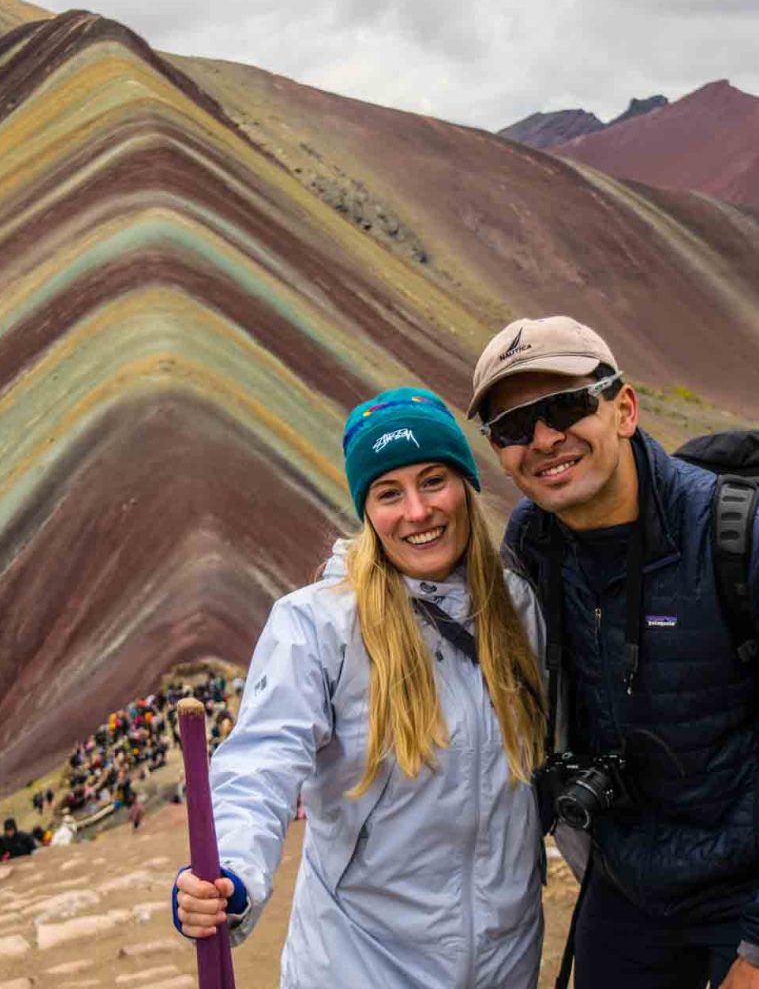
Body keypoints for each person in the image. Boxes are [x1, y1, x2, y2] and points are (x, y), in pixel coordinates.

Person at [469, 317, 759, 989]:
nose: (544, 439)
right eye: (513, 426)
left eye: (567, 406)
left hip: (757, 896)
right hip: (628, 891)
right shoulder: (536, 541)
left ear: (624, 408)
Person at [173, 387, 548, 988]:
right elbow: (262, 761)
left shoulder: (519, 609)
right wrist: (232, 873)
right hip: (362, 964)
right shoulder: (318, 625)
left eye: (433, 480)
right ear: (367, 511)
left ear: (466, 486)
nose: (418, 511)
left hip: (506, 961)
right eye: (389, 492)